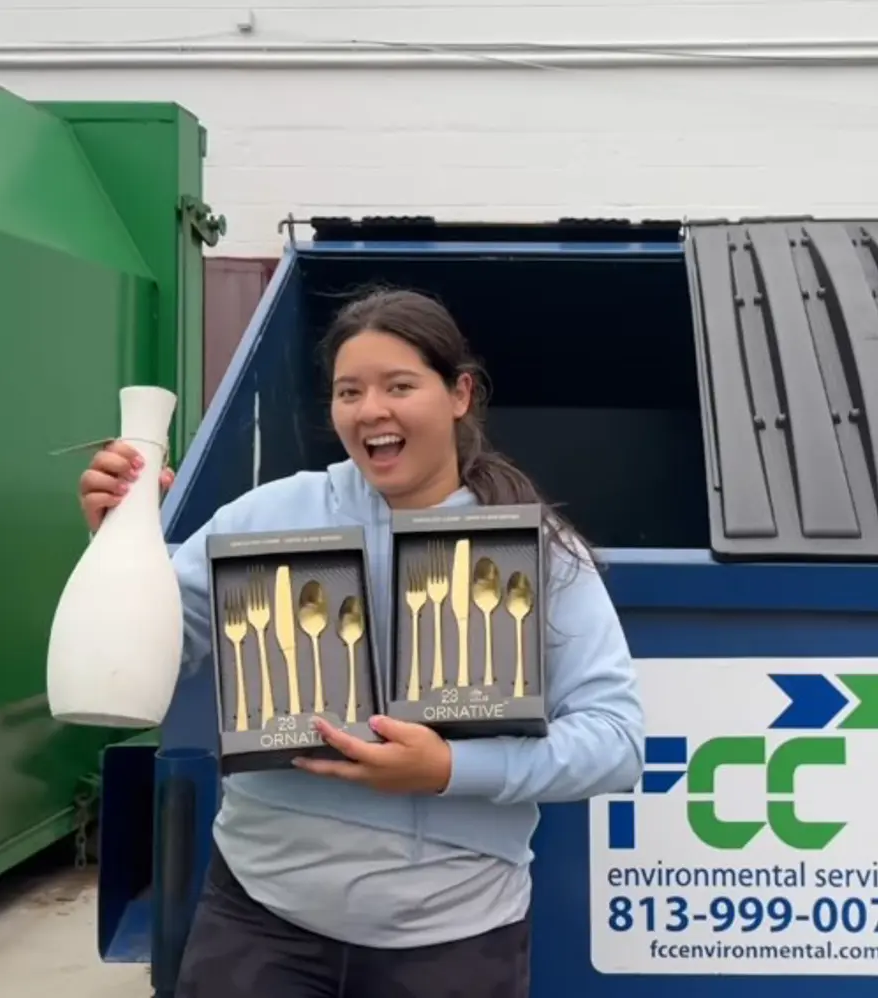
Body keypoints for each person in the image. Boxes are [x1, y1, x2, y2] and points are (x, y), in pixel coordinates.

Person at [79, 288, 644, 998]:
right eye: (349, 391)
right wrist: (119, 546)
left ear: (459, 394)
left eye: (399, 386)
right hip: (258, 931)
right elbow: (152, 649)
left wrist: (449, 768)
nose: (370, 409)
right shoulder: (264, 518)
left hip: (455, 944)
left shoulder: (539, 552)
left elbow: (615, 743)